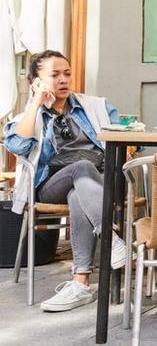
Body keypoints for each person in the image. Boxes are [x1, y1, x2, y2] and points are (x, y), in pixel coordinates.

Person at [3, 50, 128, 312]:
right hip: (51, 185)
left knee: (78, 191)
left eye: (67, 73)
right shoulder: (30, 115)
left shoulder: (96, 105)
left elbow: (126, 136)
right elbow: (18, 145)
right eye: (55, 74)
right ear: (36, 81)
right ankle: (111, 238)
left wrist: (129, 147)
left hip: (98, 181)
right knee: (79, 169)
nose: (63, 79)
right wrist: (36, 102)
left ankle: (80, 283)